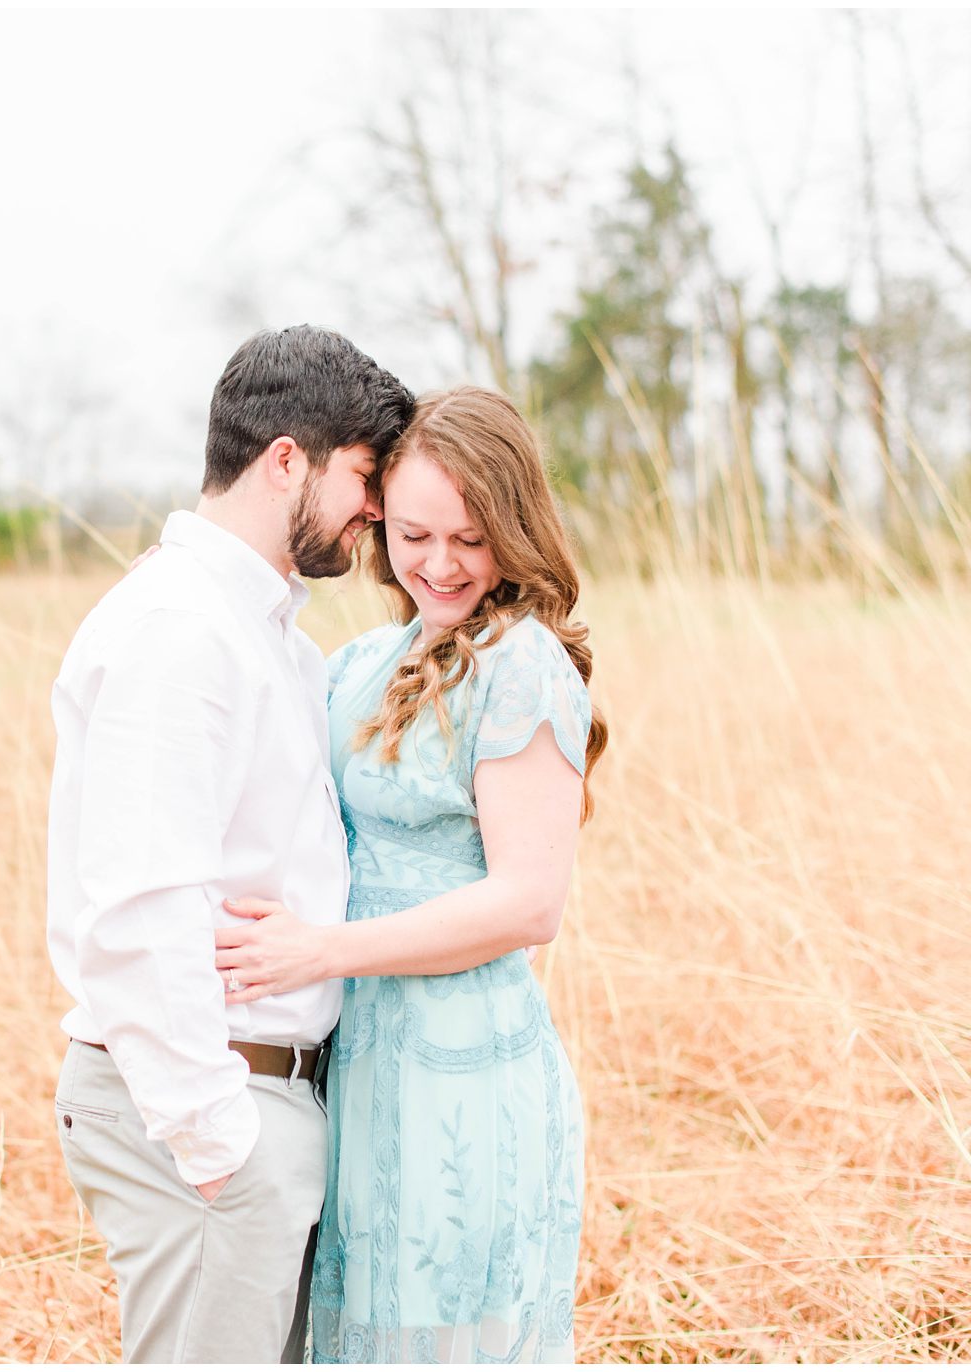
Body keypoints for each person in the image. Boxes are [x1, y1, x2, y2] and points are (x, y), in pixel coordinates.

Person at [211, 385, 608, 1363]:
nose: (438, 564)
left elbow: (529, 902)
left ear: (513, 531)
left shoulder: (524, 666)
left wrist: (318, 950)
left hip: (464, 1071)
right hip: (364, 1065)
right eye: (414, 533)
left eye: (469, 539)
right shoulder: (361, 664)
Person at [46, 325, 414, 1363]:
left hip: (258, 1099)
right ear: (285, 458)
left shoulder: (269, 639)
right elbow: (138, 906)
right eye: (362, 475)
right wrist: (217, 1145)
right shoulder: (180, 630)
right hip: (210, 1109)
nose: (376, 509)